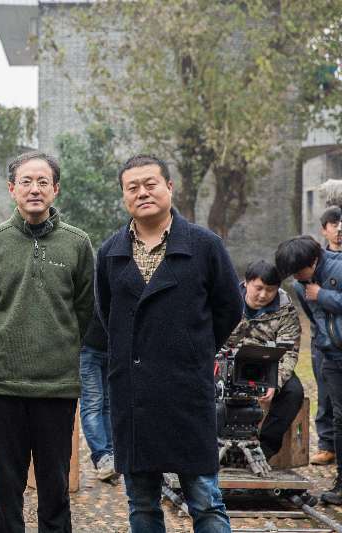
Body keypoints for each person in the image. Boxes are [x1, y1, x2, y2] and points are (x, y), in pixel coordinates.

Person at [95, 154, 242, 533]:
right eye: (132, 187)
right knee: (142, 503)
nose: (142, 193)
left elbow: (229, 307)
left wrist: (193, 350)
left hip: (186, 392)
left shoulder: (204, 245)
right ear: (124, 195)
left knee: (205, 500)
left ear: (169, 187)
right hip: (134, 395)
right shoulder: (111, 253)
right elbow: (107, 315)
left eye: (151, 184)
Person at [0, 151, 95, 532]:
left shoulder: (77, 243)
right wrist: (6, 340)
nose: (35, 189)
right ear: (12, 189)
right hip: (5, 385)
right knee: (6, 485)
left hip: (56, 386)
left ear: (56, 189)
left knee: (55, 485)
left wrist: (58, 343)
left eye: (43, 182)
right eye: (26, 181)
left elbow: (84, 310)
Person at [276, 235, 342, 504]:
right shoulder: (300, 285)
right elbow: (315, 319)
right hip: (331, 357)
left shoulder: (338, 268)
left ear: (313, 261)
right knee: (339, 418)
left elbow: (322, 304)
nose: (296, 278)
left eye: (298, 271)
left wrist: (323, 295)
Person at [223, 260, 303, 460]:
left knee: (293, 392)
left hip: (267, 364)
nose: (263, 295)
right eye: (258, 288)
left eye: (270, 290)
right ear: (246, 282)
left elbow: (289, 351)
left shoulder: (285, 308)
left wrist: (276, 381)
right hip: (227, 359)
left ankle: (264, 449)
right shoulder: (226, 299)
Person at [310, 206, 342, 464]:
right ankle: (326, 444)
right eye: (333, 224)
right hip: (322, 339)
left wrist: (322, 295)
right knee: (324, 393)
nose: (339, 230)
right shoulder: (315, 262)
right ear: (324, 229)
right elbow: (308, 302)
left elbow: (316, 296)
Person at [79, 315, 117, 482]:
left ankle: (108, 457)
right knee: (93, 403)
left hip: (108, 347)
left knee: (107, 403)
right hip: (88, 346)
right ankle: (101, 456)